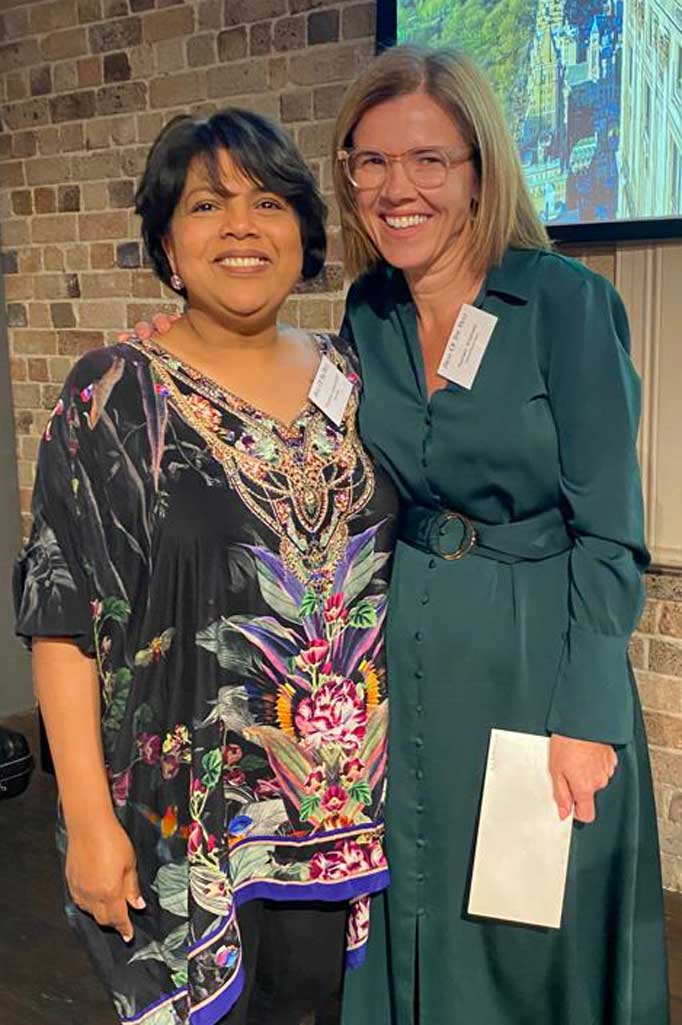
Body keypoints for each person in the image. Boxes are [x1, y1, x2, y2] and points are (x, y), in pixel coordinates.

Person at [14, 109, 398, 1025]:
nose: (239, 226)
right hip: (182, 833)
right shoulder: (114, 394)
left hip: (350, 827)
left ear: (303, 232)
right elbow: (62, 617)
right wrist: (89, 820)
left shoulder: (356, 378)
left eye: (267, 202)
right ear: (167, 245)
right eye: (205, 204)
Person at [330, 44, 669, 1025]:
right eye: (372, 160)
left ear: (479, 171)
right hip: (407, 657)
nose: (398, 188)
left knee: (523, 934)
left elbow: (610, 531)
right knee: (414, 901)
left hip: (533, 662)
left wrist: (586, 712)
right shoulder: (369, 310)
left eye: (428, 159)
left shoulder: (565, 303)